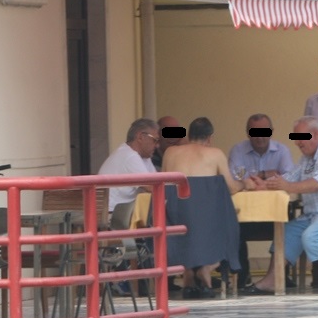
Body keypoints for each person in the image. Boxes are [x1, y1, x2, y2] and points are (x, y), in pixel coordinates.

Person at [243, 116, 318, 295]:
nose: (297, 143)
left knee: (311, 238)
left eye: (300, 137)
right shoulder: (307, 155)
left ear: (315, 135)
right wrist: (264, 185)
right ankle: (271, 281)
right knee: (284, 234)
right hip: (311, 214)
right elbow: (290, 176)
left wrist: (287, 187)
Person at [161, 117, 243, 298]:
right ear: (210, 138)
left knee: (185, 222)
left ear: (189, 136)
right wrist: (245, 183)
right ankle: (206, 268)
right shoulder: (215, 154)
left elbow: (165, 185)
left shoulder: (170, 152)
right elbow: (231, 188)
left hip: (176, 217)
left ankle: (188, 271)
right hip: (208, 221)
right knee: (229, 223)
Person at [227, 113, 295, 290]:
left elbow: (290, 177)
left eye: (264, 131)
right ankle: (241, 277)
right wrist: (271, 176)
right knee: (232, 229)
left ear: (271, 131)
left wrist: (261, 179)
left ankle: (281, 275)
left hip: (274, 216)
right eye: (254, 132)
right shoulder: (238, 150)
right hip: (245, 216)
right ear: (248, 133)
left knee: (290, 225)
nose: (259, 136)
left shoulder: (282, 151)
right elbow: (234, 178)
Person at [96, 118, 159, 211]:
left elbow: (157, 183)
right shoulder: (130, 156)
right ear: (141, 137)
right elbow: (153, 188)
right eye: (155, 140)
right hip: (110, 214)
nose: (157, 145)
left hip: (121, 212)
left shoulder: (144, 156)